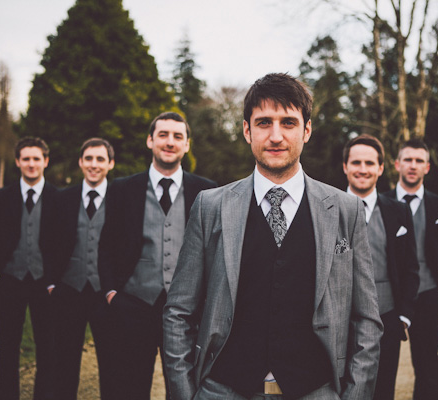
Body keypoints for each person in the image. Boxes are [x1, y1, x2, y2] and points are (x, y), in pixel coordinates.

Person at [163, 73, 383, 400]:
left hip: (317, 391)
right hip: (223, 390)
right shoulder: (210, 207)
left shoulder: (345, 210)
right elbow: (178, 313)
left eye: (289, 123)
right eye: (264, 122)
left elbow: (366, 320)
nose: (276, 136)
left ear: (306, 130)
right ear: (246, 130)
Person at [97, 112, 216, 399]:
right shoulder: (123, 189)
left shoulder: (207, 191)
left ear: (187, 145)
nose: (170, 142)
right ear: (150, 141)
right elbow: (106, 245)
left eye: (177, 136)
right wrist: (113, 292)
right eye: (163, 135)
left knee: (184, 387)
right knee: (129, 386)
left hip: (188, 311)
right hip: (134, 304)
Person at [343, 134, 419, 400]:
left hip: (387, 318)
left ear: (381, 168)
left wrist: (404, 316)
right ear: (345, 167)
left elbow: (411, 267)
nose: (362, 169)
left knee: (384, 389)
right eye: (356, 163)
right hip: (339, 321)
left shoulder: (398, 211)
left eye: (369, 163)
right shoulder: (328, 208)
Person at [383, 139, 438, 399]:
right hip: (390, 301)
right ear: (397, 164)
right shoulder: (381, 203)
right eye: (408, 159)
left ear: (427, 167)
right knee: (383, 372)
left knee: (427, 372)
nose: (413, 166)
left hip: (428, 297)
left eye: (419, 161)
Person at [0, 137, 57, 400]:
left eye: (36, 158)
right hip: (10, 282)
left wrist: (54, 280)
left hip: (44, 284)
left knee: (46, 347)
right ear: (17, 162)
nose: (31, 163)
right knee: (8, 346)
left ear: (45, 161)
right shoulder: (3, 197)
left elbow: (63, 242)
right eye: (25, 158)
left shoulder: (57, 197)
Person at [47, 138, 116, 399]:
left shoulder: (121, 198)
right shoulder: (63, 198)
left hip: (106, 294)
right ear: (80, 162)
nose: (93, 165)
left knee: (111, 363)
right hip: (68, 290)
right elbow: (50, 240)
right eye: (88, 159)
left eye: (100, 159)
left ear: (110, 163)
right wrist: (52, 283)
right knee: (64, 362)